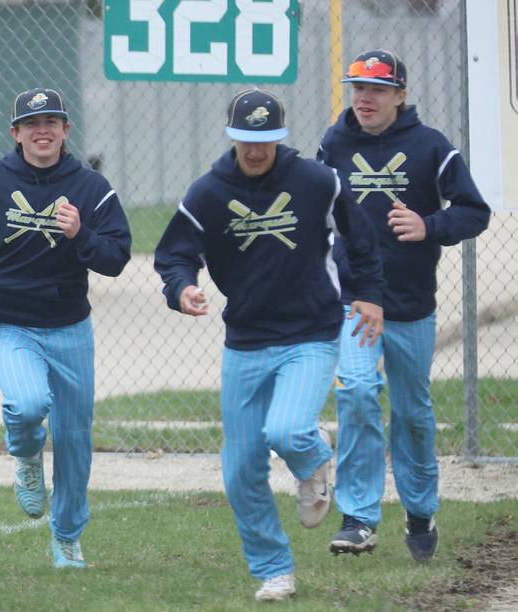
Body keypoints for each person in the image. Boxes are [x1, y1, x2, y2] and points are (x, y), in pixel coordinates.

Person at [154, 88, 384, 602]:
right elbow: (174, 253)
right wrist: (182, 286)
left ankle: (311, 456)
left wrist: (368, 294)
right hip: (246, 340)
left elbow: (360, 237)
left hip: (311, 331)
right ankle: (274, 568)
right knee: (239, 471)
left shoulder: (317, 181)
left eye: (265, 140)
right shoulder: (207, 193)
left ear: (279, 136)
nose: (255, 150)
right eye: (245, 140)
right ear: (231, 134)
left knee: (287, 428)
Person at [0, 88, 131, 569]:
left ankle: (67, 536)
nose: (42, 130)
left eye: (52, 121)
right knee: (26, 406)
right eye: (32, 123)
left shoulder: (91, 187)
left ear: (67, 131)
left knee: (73, 439)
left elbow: (116, 258)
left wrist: (81, 234)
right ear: (15, 133)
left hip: (69, 326)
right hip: (12, 323)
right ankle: (27, 456)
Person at [318, 49, 490, 561]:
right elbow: (317, 206)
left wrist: (428, 226)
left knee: (412, 413)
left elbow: (474, 212)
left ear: (399, 94)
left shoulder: (430, 147)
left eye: (375, 89)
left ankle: (420, 509)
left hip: (411, 304)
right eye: (357, 88)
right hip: (353, 299)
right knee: (356, 393)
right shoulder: (335, 142)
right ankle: (358, 518)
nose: (364, 98)